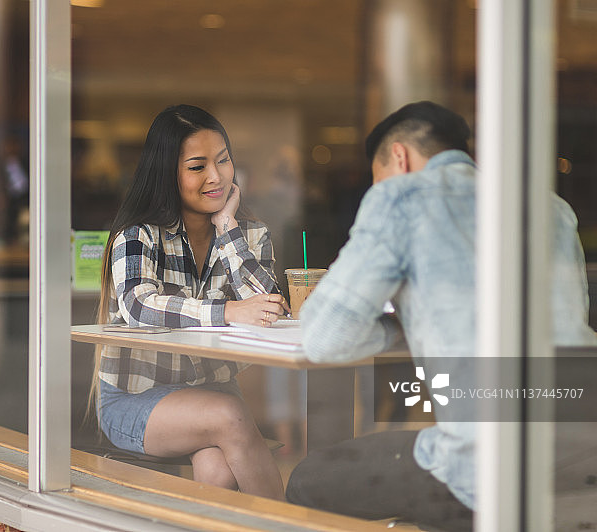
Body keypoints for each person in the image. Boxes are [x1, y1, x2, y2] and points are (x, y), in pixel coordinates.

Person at [285, 101, 597, 530]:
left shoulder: (402, 197)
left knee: (307, 480)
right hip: (584, 440)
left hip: (491, 463)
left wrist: (397, 328)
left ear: (399, 157)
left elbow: (324, 336)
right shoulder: (553, 209)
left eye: (378, 182)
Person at [93, 104, 289, 499]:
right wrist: (228, 312)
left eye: (223, 161)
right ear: (168, 174)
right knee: (230, 416)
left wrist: (228, 228)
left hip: (214, 393)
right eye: (198, 166)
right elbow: (137, 305)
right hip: (135, 399)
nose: (215, 176)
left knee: (217, 470)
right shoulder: (138, 235)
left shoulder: (250, 234)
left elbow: (263, 306)